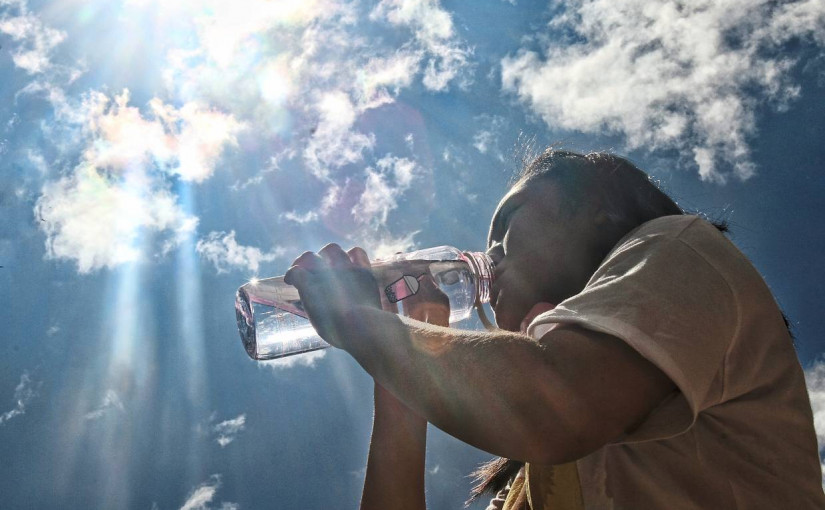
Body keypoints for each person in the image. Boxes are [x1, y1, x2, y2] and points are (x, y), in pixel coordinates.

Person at [284, 149, 825, 509]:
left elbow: (556, 404)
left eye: (506, 229)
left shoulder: (682, 251)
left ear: (597, 210)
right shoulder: (533, 484)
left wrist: (360, 325)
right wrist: (397, 371)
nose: (489, 263)